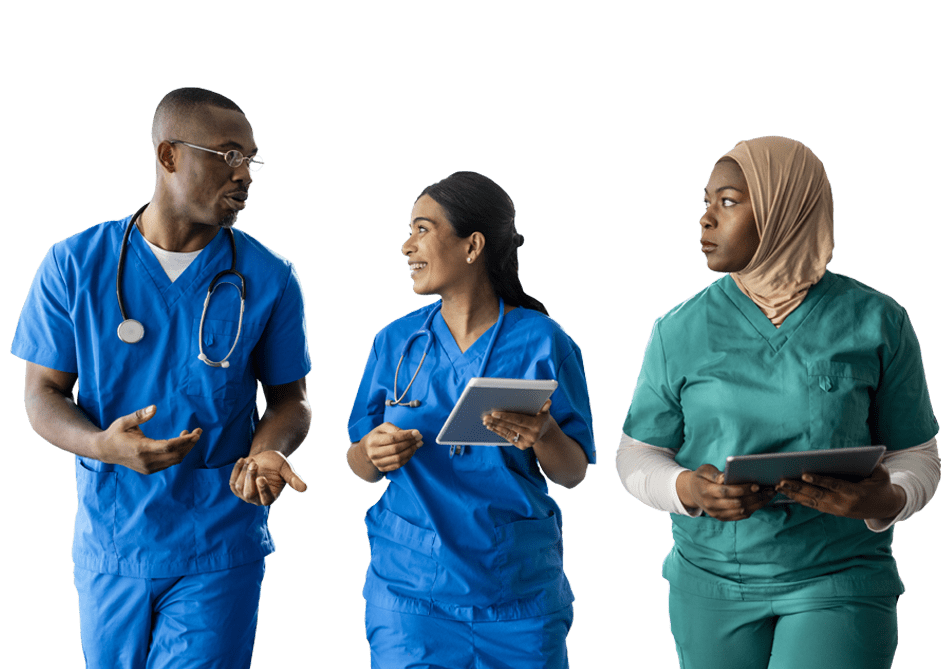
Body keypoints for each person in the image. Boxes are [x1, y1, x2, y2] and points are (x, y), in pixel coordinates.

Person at [11, 87, 312, 669]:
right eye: (228, 155)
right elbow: (42, 395)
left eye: (251, 159)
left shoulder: (270, 277)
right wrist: (103, 445)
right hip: (114, 538)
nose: (244, 174)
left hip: (220, 538)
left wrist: (267, 451)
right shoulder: (75, 264)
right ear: (169, 155)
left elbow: (291, 402)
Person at [615, 136, 940, 669]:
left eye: (727, 201)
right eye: (705, 202)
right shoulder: (677, 330)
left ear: (784, 209)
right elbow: (636, 455)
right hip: (710, 582)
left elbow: (917, 457)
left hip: (837, 576)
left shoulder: (878, 322)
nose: (705, 220)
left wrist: (887, 500)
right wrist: (687, 488)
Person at [346, 171, 596, 668]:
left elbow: (572, 472)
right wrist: (372, 451)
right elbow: (359, 461)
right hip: (411, 595)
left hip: (517, 595)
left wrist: (544, 434)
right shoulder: (395, 344)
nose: (405, 246)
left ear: (472, 245)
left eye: (422, 229)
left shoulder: (545, 342)